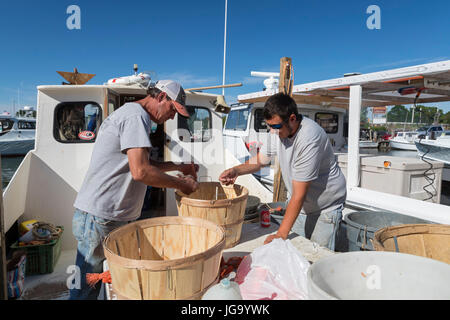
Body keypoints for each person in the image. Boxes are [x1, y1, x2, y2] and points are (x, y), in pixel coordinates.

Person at [69, 80, 199, 300]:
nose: (172, 117)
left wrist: (179, 167)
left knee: (99, 281)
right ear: (161, 98)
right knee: (85, 288)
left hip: (109, 216)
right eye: (172, 110)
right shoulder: (135, 116)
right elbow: (141, 172)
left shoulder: (137, 117)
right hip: (100, 216)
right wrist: (182, 184)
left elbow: (144, 164)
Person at [219, 93, 346, 250]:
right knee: (295, 253)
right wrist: (236, 170)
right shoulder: (276, 132)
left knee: (316, 258)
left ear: (292, 118)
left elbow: (299, 194)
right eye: (269, 126)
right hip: (303, 206)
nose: (273, 131)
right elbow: (260, 161)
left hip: (325, 208)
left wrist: (280, 234)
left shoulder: (309, 137)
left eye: (276, 126)